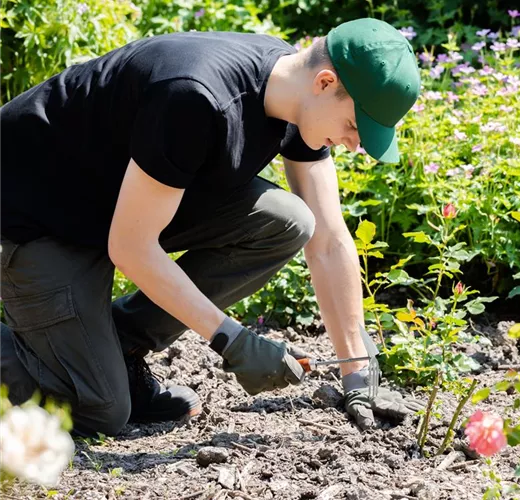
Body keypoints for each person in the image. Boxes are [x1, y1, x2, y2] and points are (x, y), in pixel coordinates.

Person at [0, 17, 424, 437]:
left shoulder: (295, 98)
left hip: (112, 206)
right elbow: (130, 246)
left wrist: (356, 369)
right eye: (353, 126)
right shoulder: (195, 97)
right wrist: (232, 340)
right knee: (100, 410)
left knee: (288, 221)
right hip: (34, 217)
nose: (354, 144)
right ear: (325, 82)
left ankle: (119, 349)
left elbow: (329, 240)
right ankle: (83, 373)